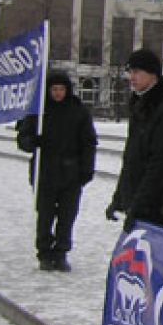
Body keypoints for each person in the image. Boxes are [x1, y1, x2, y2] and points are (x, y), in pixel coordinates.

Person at [16, 71, 97, 271]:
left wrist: (86, 169)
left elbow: (88, 142)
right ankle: (44, 252)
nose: (58, 93)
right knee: (45, 215)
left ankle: (61, 252)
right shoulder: (38, 111)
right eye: (54, 89)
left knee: (67, 216)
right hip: (45, 173)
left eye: (61, 89)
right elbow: (23, 139)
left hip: (71, 174)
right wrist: (33, 141)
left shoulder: (78, 111)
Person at [106, 48, 163, 231]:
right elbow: (131, 158)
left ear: (153, 75)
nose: (131, 77)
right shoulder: (140, 107)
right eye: (130, 72)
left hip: (156, 205)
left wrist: (139, 206)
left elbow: (161, 164)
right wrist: (119, 198)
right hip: (137, 202)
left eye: (137, 72)